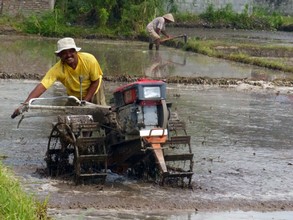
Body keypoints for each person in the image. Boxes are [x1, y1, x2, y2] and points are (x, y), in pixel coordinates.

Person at [11, 37, 106, 119]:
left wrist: (86, 100)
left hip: (94, 90)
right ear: (59, 56)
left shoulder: (89, 60)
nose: (68, 55)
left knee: (102, 116)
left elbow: (95, 81)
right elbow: (42, 86)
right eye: (64, 53)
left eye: (71, 51)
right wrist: (25, 104)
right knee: (68, 120)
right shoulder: (57, 69)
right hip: (74, 95)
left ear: (76, 51)